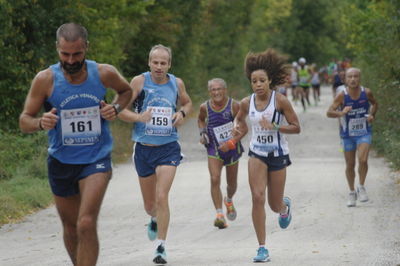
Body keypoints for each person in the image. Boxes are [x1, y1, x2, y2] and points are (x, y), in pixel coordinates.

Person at [19, 23, 133, 266]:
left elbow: (126, 91)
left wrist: (115, 108)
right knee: (71, 229)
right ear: (57, 49)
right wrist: (41, 122)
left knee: (86, 223)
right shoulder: (45, 79)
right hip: (61, 161)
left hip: (96, 158)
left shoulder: (103, 73)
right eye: (65, 54)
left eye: (77, 54)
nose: (71, 60)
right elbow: (24, 120)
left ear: (86, 48)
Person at [117, 44, 192, 265]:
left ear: (169, 64)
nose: (159, 67)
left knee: (162, 197)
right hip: (143, 149)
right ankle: (153, 218)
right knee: (150, 205)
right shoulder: (139, 82)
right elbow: (121, 109)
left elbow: (187, 103)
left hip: (168, 147)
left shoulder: (176, 83)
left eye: (163, 63)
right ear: (149, 63)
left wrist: (182, 113)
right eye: (155, 62)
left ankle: (161, 247)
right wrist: (138, 118)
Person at [233, 49, 301, 262]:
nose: (258, 84)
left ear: (270, 80)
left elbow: (296, 127)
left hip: (278, 154)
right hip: (257, 153)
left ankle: (284, 207)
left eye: (262, 80)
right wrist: (236, 127)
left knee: (274, 204)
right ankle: (262, 247)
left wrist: (275, 126)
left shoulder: (280, 101)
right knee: (257, 197)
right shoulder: (246, 102)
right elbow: (239, 119)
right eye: (254, 81)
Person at [327, 67, 378, 207]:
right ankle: (351, 192)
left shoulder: (366, 92)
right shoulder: (342, 95)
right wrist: (341, 113)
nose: (353, 79)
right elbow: (329, 112)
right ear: (345, 79)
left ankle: (361, 186)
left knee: (363, 159)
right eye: (350, 77)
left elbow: (375, 104)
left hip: (364, 132)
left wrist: (372, 115)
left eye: (356, 76)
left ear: (360, 78)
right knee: (350, 164)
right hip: (347, 135)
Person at [197, 78, 244, 229]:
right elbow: (200, 120)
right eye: (213, 90)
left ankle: (229, 200)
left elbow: (244, 129)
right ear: (209, 91)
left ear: (225, 90)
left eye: (219, 89)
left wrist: (231, 143)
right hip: (213, 148)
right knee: (214, 178)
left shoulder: (234, 106)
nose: (216, 92)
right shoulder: (204, 107)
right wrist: (203, 132)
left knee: (232, 184)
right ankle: (219, 215)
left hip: (231, 148)